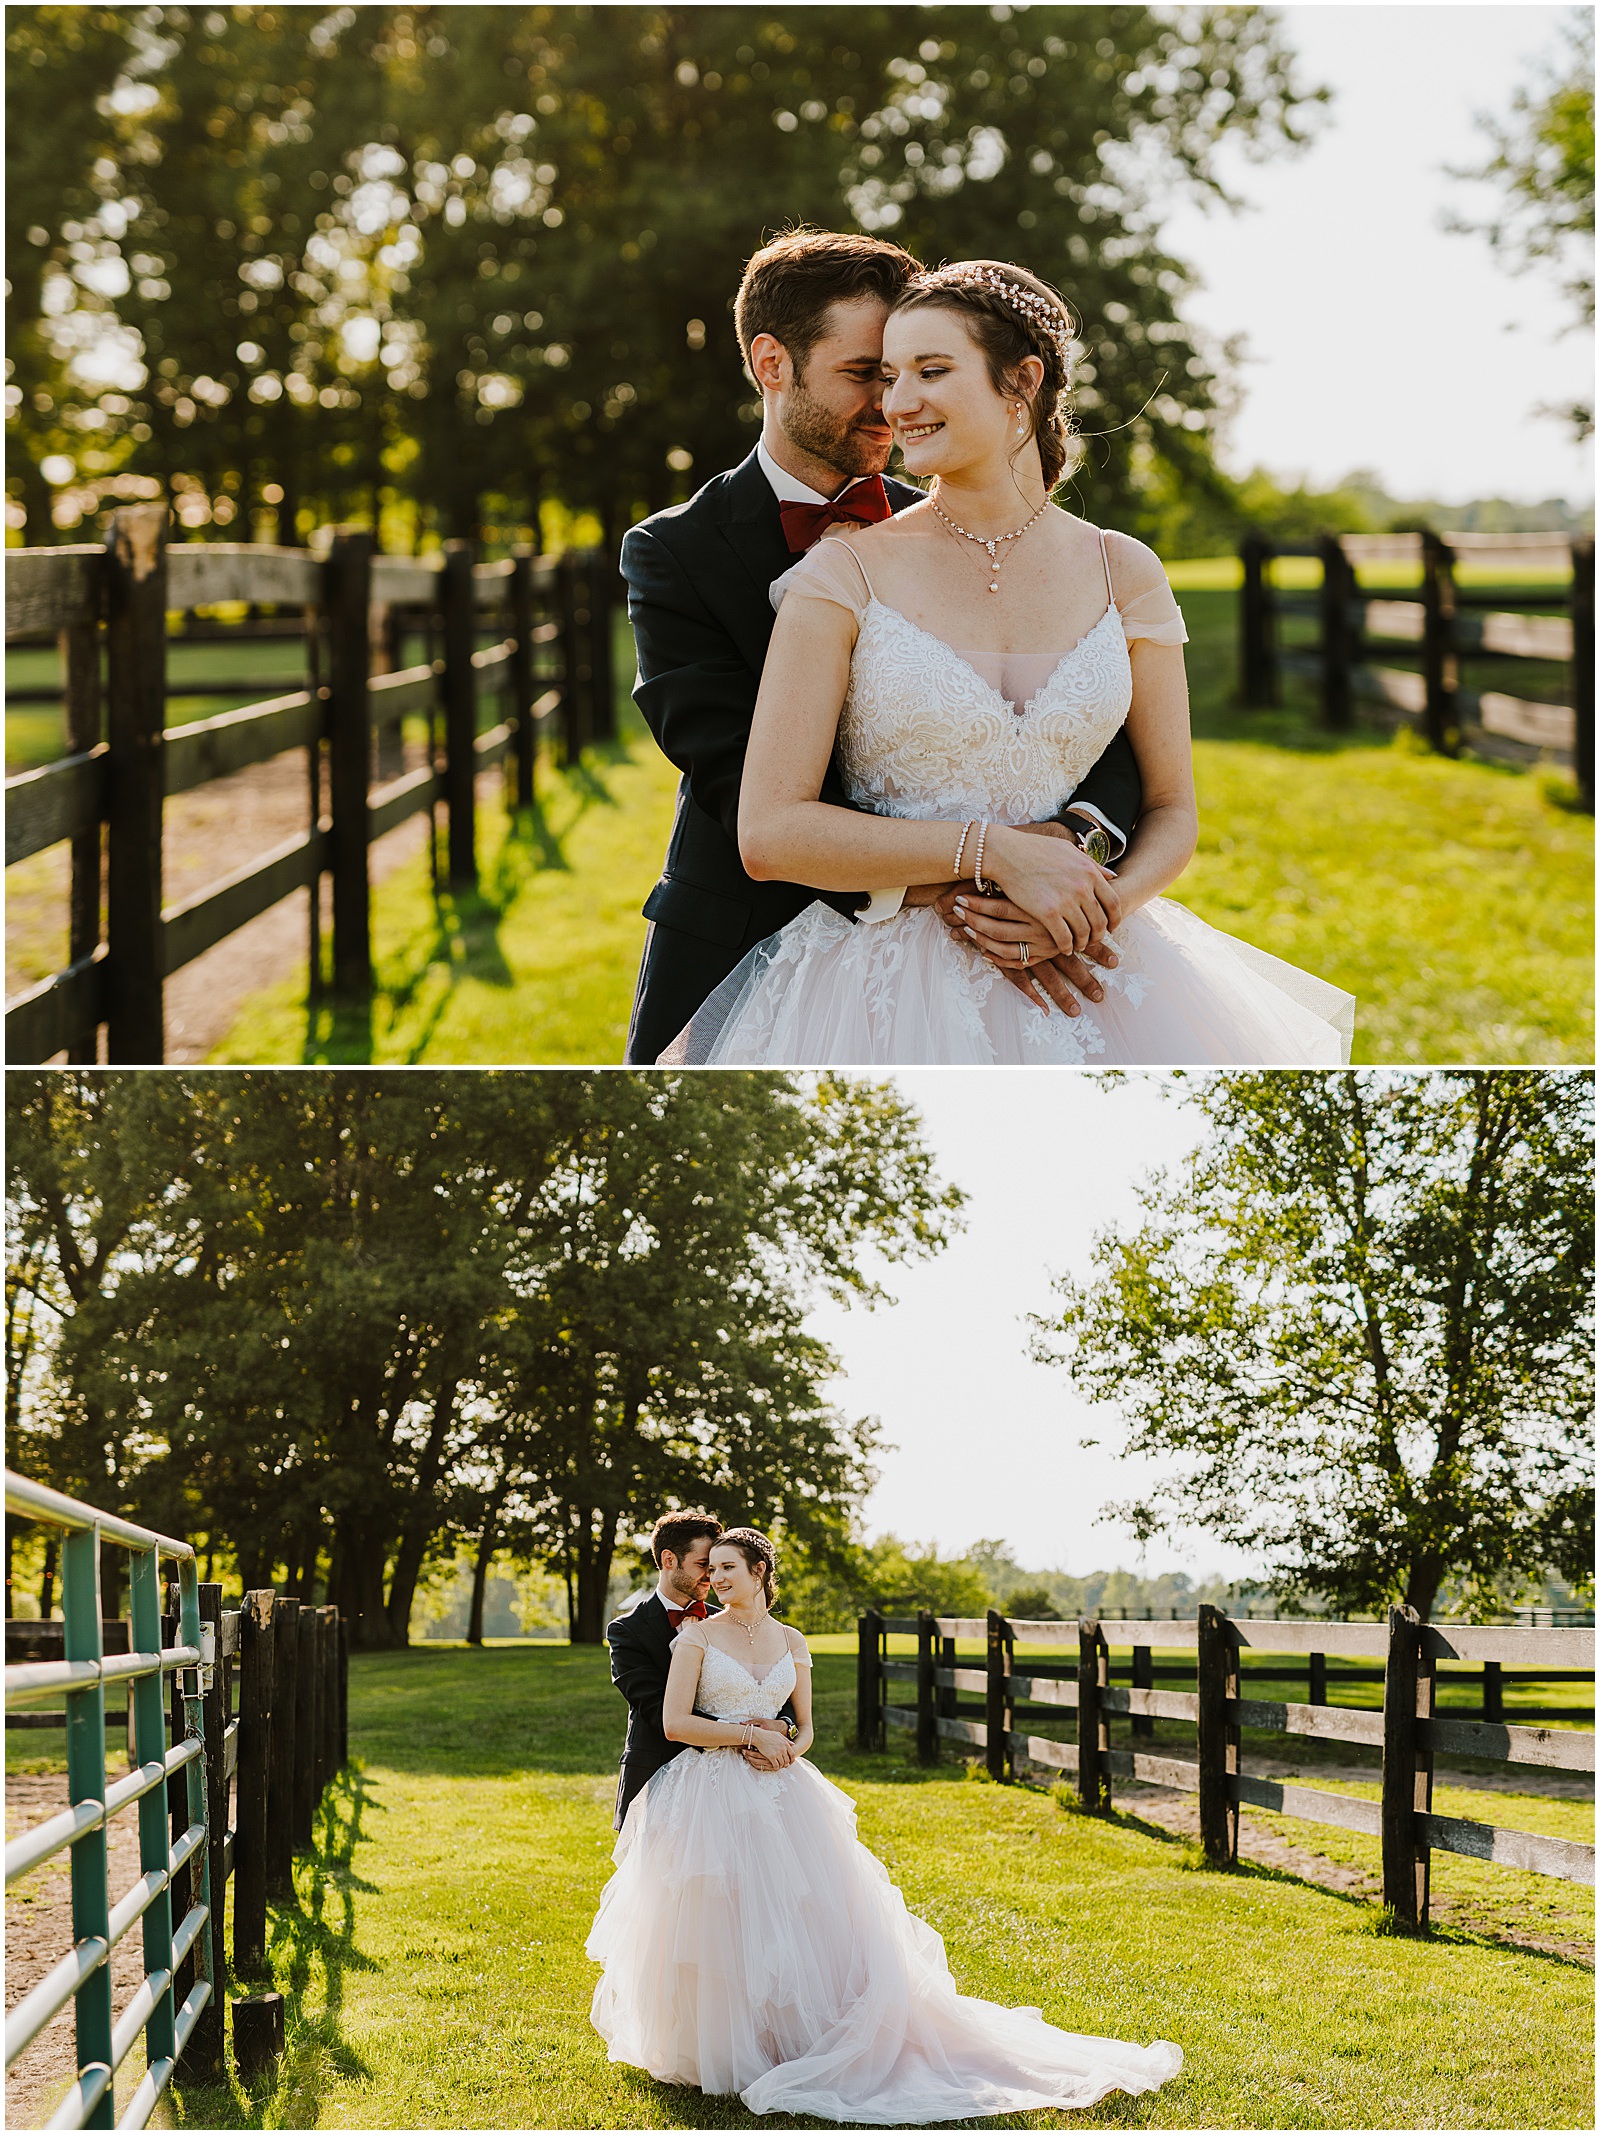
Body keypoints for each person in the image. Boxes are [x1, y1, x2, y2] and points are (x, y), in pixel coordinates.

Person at [661, 259, 1356, 1066]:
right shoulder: (841, 573)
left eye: (931, 370)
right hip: (878, 985)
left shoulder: (1124, 570)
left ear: (1021, 382)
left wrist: (1089, 910)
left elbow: (1171, 805)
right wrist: (996, 855)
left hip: (1095, 964)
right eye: (886, 376)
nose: (896, 403)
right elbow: (770, 828)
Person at [621, 229, 1143, 1065]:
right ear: (771, 363)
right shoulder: (673, 550)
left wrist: (1071, 843)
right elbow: (732, 774)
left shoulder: (964, 524)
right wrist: (990, 868)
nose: (891, 404)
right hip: (754, 937)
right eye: (865, 374)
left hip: (1029, 935)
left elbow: (1090, 711)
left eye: (906, 372)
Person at [587, 1528, 1182, 2123]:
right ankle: (720, 2044)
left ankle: (796, 2037)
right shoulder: (695, 1637)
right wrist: (751, 1735)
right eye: (710, 1568)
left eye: (727, 1568)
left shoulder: (792, 1640)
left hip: (783, 1787)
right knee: (718, 1918)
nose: (714, 1580)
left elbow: (807, 1726)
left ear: (760, 1571)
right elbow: (673, 1723)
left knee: (803, 1914)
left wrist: (789, 1749)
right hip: (713, 1790)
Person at [605, 1510, 797, 1831]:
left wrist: (781, 1724)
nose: (713, 1576)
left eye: (718, 1566)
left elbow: (770, 1682)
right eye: (702, 1566)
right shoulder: (627, 1631)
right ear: (669, 1561)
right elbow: (656, 1710)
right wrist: (750, 1736)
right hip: (659, 1776)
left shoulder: (731, 1619)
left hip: (744, 1778)